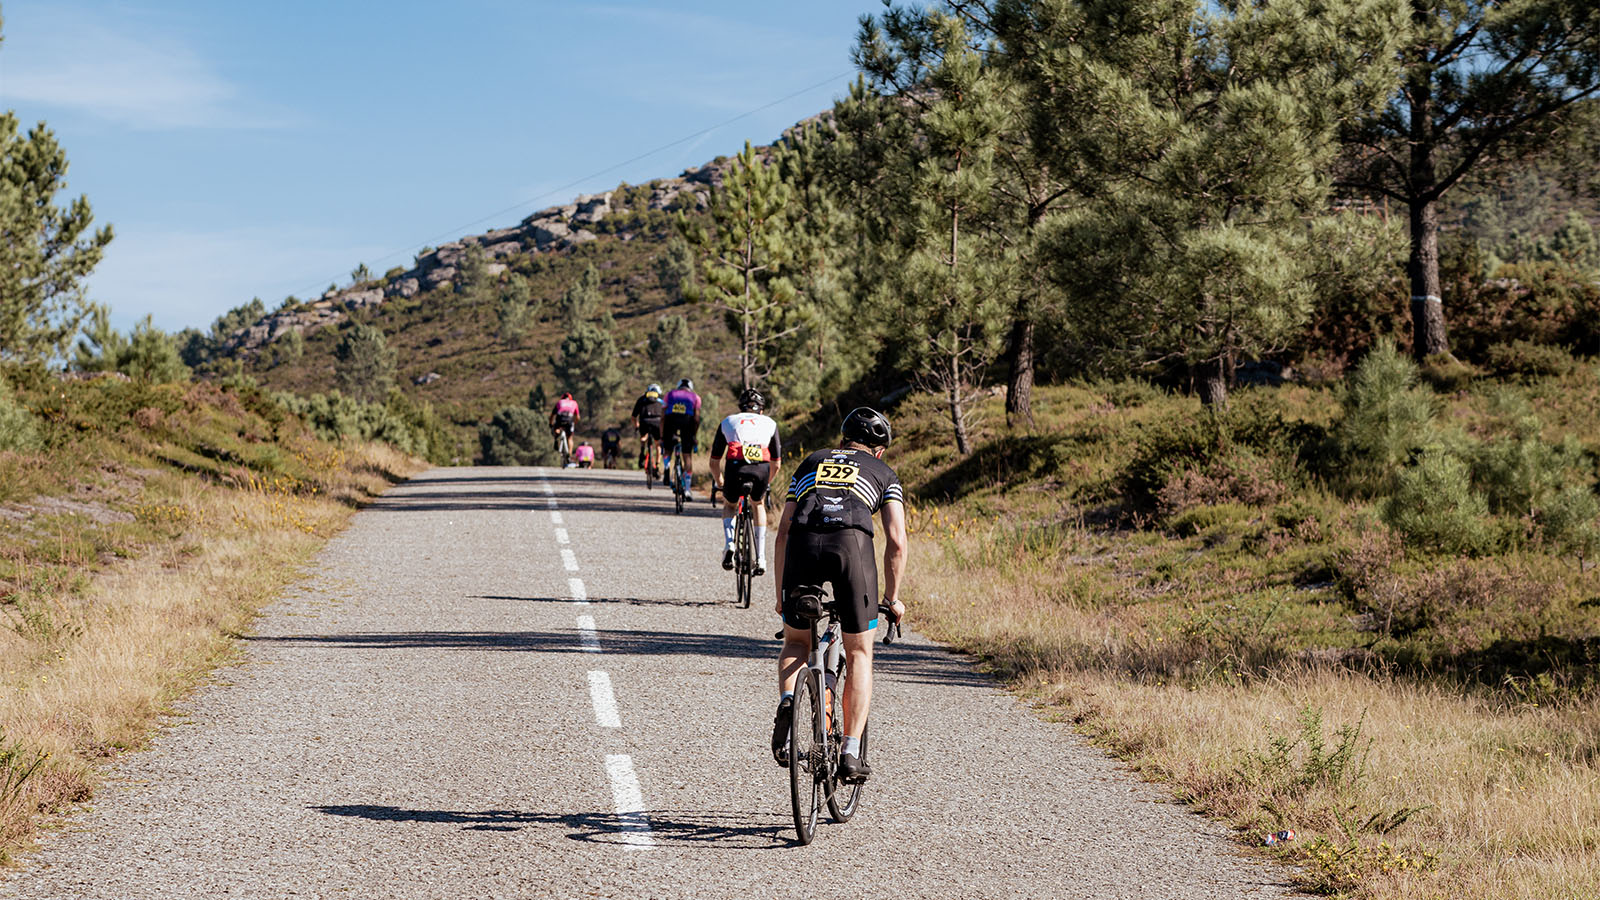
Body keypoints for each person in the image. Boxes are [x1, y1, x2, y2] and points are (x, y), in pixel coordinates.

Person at [771, 407, 907, 784]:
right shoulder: (884, 473)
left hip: (803, 544)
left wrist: (782, 595)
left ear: (843, 439)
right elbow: (896, 541)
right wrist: (893, 599)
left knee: (797, 643)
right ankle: (849, 750)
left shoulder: (811, 461)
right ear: (878, 450)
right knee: (860, 651)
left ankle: (788, 701)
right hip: (851, 547)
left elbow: (782, 531)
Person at [709, 388, 782, 574]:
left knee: (730, 505)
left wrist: (720, 482)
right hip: (761, 469)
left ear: (740, 408)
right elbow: (777, 463)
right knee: (758, 504)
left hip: (735, 467)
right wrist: (767, 484)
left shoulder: (728, 421)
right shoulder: (770, 423)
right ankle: (761, 558)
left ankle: (729, 544)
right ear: (762, 410)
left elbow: (714, 461)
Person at [661, 378, 702, 493]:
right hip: (687, 423)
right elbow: (697, 418)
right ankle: (688, 489)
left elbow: (663, 416)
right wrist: (694, 435)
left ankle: (666, 467)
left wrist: (662, 436)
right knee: (687, 456)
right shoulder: (696, 397)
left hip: (670, 422)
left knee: (668, 449)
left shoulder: (669, 395)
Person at [631, 383, 666, 477]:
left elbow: (634, 416)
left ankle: (642, 452)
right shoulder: (662, 399)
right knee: (658, 444)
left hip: (644, 422)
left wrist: (636, 426)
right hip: (657, 423)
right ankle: (657, 466)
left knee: (643, 437)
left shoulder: (642, 399)